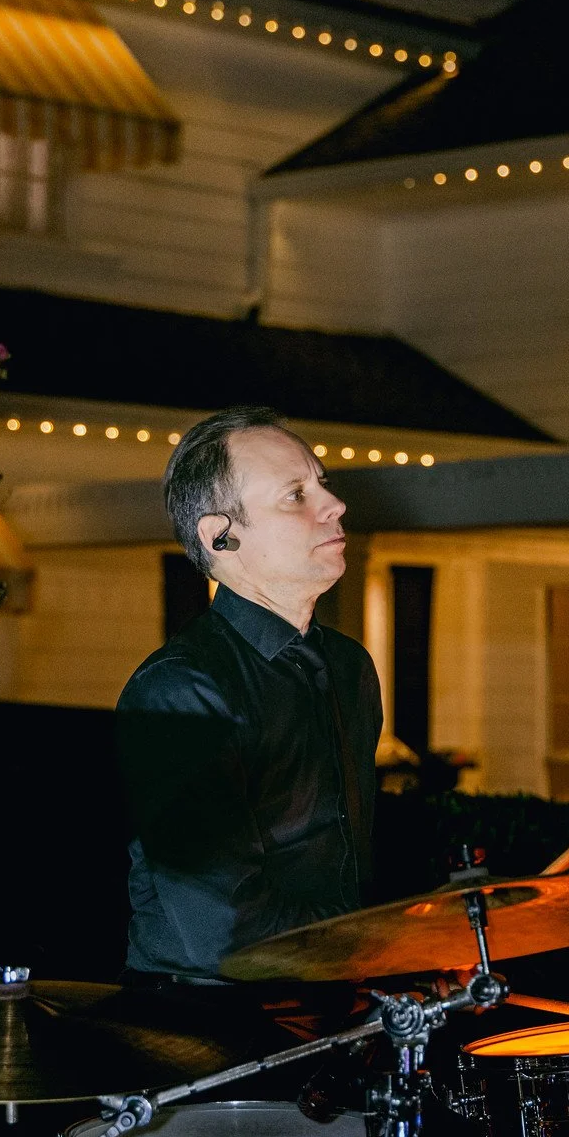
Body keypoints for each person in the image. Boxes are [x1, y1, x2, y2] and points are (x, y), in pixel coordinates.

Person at [117, 404, 383, 981]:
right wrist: (363, 950)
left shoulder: (349, 667)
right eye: (295, 495)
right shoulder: (180, 689)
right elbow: (220, 925)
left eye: (323, 486)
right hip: (203, 1023)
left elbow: (347, 862)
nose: (334, 505)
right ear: (222, 536)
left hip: (328, 999)